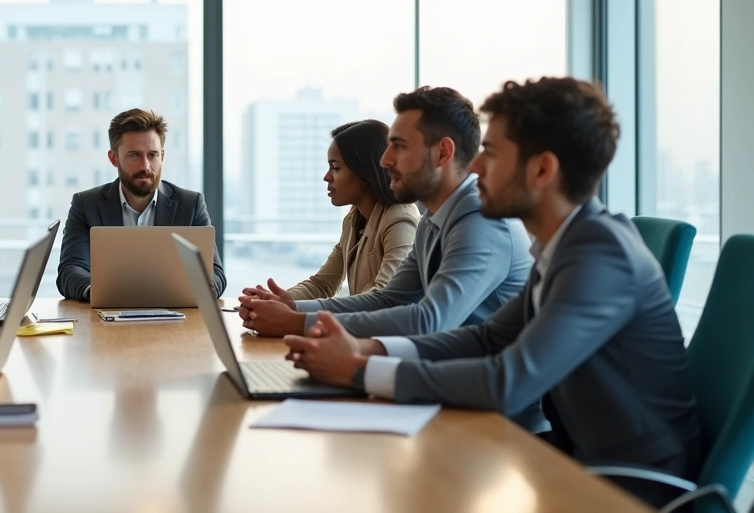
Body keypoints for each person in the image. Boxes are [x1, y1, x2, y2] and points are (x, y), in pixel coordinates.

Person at [283, 78, 701, 507]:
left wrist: (358, 370)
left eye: (493, 153)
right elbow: (487, 338)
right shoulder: (567, 243)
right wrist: (365, 351)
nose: (476, 166)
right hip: (576, 457)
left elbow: (507, 380)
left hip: (631, 486)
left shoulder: (598, 254)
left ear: (542, 170)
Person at [239, 87, 531, 338]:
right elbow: (390, 299)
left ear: (443, 153)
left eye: (399, 147)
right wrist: (292, 307)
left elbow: (429, 320)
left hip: (483, 396)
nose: (385, 160)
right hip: (447, 377)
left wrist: (297, 321)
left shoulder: (481, 221)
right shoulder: (433, 219)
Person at [56, 108, 227, 300]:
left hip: (176, 320)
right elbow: (70, 270)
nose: (145, 166)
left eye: (152, 155)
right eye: (134, 155)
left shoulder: (191, 204)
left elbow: (216, 275)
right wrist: (99, 294)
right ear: (114, 158)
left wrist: (189, 291)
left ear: (162, 156)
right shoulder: (85, 205)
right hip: (106, 322)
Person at [256, 120, 419, 302]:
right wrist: (280, 300)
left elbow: (384, 296)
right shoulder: (353, 219)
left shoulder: (400, 218)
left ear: (364, 171)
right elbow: (323, 284)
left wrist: (295, 311)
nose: (327, 177)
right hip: (364, 329)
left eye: (335, 168)